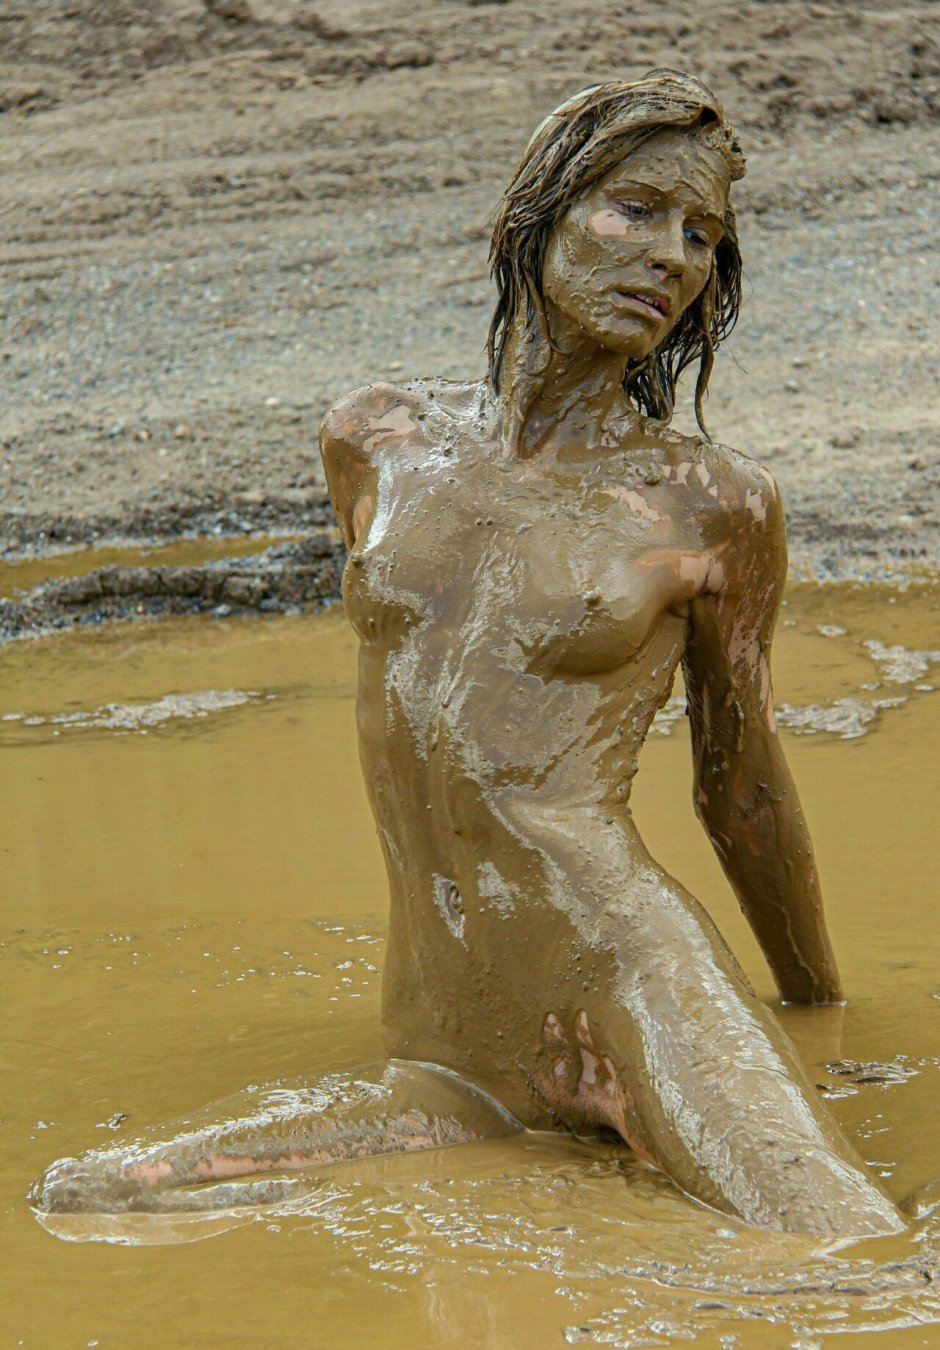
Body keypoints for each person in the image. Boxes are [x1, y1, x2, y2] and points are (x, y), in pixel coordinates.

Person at [32, 70, 905, 1238]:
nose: (672, 256)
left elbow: (738, 779)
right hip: (448, 1034)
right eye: (635, 209)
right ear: (531, 218)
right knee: (90, 1197)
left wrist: (815, 1010)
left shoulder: (711, 505)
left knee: (846, 1249)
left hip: (624, 969)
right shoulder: (377, 441)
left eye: (701, 236)